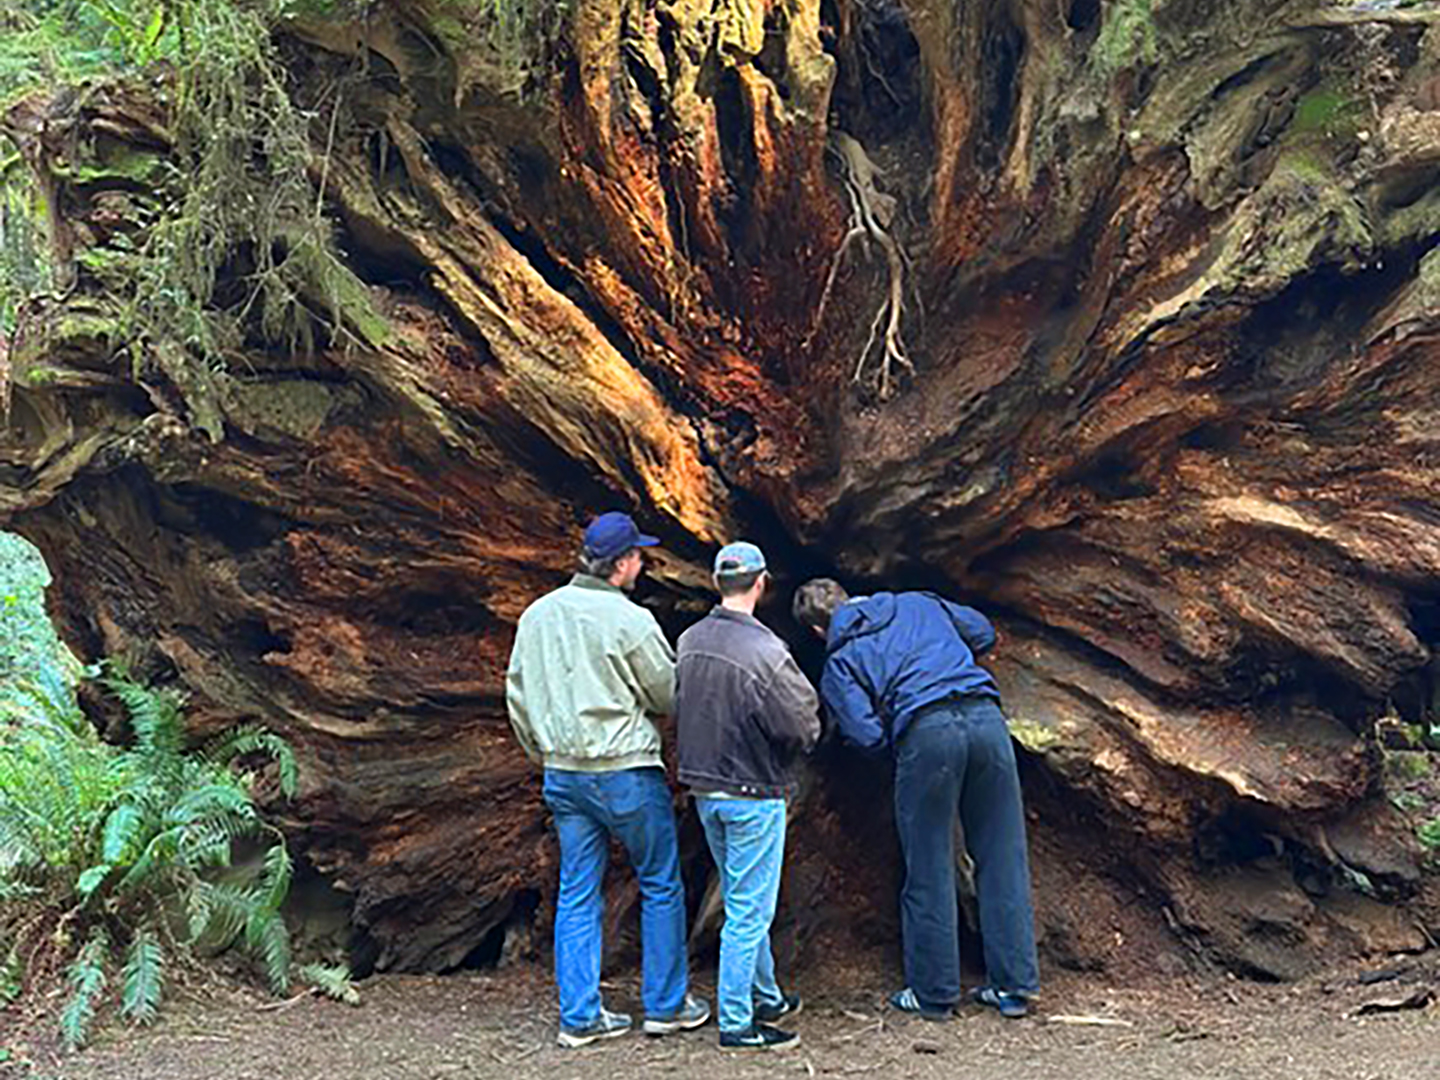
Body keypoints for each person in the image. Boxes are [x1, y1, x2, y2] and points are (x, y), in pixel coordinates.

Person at [506, 511, 710, 1048]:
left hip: (565, 776)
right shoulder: (630, 620)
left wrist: (545, 752)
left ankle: (580, 1015)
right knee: (661, 883)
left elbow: (518, 697)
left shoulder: (538, 616)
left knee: (577, 892)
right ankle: (665, 1005)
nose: (643, 564)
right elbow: (667, 694)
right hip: (626, 772)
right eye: (639, 556)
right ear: (620, 564)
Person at [792, 578, 1039, 1021]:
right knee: (1003, 855)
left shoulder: (840, 661)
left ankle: (934, 994)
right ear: (850, 596)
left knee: (929, 865)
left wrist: (903, 732)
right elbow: (981, 631)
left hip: (925, 733)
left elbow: (864, 734)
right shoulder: (917, 602)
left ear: (816, 632)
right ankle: (1013, 986)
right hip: (986, 719)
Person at [676, 542, 821, 1052]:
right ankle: (738, 1022)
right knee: (749, 910)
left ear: (719, 582)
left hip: (704, 789)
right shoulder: (765, 651)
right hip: (752, 791)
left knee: (741, 896)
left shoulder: (690, 640)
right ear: (761, 583)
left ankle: (768, 996)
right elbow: (802, 724)